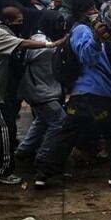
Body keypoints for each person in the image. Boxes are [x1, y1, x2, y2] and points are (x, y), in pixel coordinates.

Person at [34, 0, 111, 188]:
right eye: (92, 9)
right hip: (97, 93)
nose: (96, 12)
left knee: (66, 136)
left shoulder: (85, 30)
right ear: (83, 12)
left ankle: (43, 175)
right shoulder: (82, 30)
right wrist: (96, 40)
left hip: (81, 95)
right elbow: (87, 57)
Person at [0, 6, 58, 185]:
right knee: (5, 130)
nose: (21, 24)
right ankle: (2, 172)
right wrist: (52, 44)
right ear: (8, 21)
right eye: (18, 21)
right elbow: (23, 44)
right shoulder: (0, 34)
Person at [16, 10, 68, 170]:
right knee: (59, 121)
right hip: (40, 91)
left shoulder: (46, 39)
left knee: (42, 120)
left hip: (43, 90)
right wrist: (60, 44)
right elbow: (45, 51)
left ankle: (24, 150)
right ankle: (44, 157)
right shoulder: (40, 41)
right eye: (58, 24)